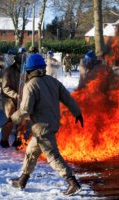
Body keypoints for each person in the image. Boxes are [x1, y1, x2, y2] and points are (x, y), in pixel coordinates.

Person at [8, 54, 84, 196]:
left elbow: (25, 110)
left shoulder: (30, 85)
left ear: (29, 70)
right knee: (31, 152)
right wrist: (77, 113)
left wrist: (12, 119)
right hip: (50, 125)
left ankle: (73, 183)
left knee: (53, 156)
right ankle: (22, 180)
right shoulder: (52, 81)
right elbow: (67, 98)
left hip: (42, 127)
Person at [0, 53, 23, 148]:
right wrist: (15, 95)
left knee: (22, 119)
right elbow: (5, 88)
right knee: (11, 118)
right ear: (16, 63)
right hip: (8, 98)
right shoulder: (8, 71)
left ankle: (18, 139)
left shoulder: (25, 72)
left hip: (21, 98)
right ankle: (4, 140)